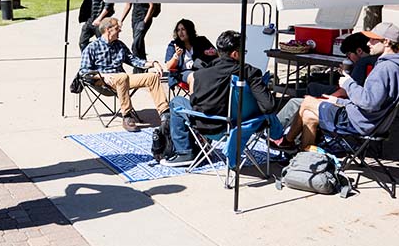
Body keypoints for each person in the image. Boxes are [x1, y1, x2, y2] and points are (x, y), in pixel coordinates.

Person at [273, 22, 399, 151]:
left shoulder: (385, 68)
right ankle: (304, 157)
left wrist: (348, 84)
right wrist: (339, 101)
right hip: (370, 120)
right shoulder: (396, 65)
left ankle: (287, 141)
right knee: (308, 115)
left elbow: (369, 103)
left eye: (373, 40)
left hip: (360, 122)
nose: (368, 43)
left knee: (307, 102)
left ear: (386, 42)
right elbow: (373, 100)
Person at [162, 30, 276, 166]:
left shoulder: (201, 75)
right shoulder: (249, 72)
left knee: (176, 102)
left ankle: (185, 152)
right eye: (243, 52)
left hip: (207, 127)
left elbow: (195, 102)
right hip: (241, 126)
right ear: (235, 54)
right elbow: (269, 106)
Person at [79, 17, 169, 132]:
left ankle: (165, 114)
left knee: (151, 77)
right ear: (108, 30)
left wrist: (153, 63)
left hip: (122, 80)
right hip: (103, 82)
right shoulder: (92, 47)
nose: (120, 31)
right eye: (117, 28)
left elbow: (134, 60)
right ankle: (127, 116)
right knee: (122, 76)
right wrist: (102, 76)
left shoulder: (119, 45)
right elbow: (83, 72)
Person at [276, 32, 378, 128]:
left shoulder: (362, 64)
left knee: (294, 102)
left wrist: (323, 100)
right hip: (357, 105)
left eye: (348, 54)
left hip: (348, 107)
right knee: (313, 87)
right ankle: (302, 128)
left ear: (359, 51)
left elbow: (345, 91)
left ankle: (273, 133)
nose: (348, 57)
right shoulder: (376, 62)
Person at [163, 19, 218, 90]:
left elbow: (216, 53)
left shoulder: (201, 41)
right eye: (178, 30)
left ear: (189, 30)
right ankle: (194, 100)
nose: (180, 32)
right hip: (183, 73)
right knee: (194, 77)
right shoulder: (173, 45)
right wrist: (176, 56)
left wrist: (213, 52)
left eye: (183, 29)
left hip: (202, 70)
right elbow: (169, 66)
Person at [120, 2, 160, 73]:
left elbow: (152, 6)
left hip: (144, 17)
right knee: (139, 44)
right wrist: (121, 20)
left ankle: (138, 69)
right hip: (135, 18)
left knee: (135, 45)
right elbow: (128, 5)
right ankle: (143, 68)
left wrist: (145, 21)